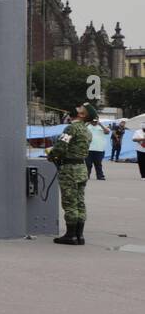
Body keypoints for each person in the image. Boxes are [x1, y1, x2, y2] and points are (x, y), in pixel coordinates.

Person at [48, 103, 93, 245]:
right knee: (80, 201)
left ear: (82, 115)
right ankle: (79, 235)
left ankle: (70, 235)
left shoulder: (71, 128)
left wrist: (52, 155)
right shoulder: (87, 131)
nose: (78, 108)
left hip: (70, 169)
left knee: (70, 202)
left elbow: (61, 146)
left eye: (81, 109)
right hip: (81, 168)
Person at [85, 115, 109, 180]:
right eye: (93, 121)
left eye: (96, 121)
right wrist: (88, 123)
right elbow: (81, 130)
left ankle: (100, 176)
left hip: (99, 149)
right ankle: (86, 176)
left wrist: (100, 124)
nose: (94, 122)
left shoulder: (102, 126)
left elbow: (107, 132)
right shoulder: (87, 126)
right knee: (88, 164)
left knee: (98, 164)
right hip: (88, 148)